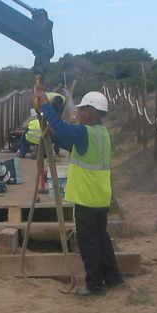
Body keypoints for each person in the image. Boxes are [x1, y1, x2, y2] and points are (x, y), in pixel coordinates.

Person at [38, 88, 123, 296]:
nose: (80, 113)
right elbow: (68, 141)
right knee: (101, 238)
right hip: (100, 196)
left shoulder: (85, 132)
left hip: (87, 197)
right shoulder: (101, 132)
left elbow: (62, 127)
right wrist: (53, 133)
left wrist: (45, 105)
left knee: (88, 242)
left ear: (93, 111)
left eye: (83, 110)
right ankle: (113, 278)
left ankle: (95, 285)